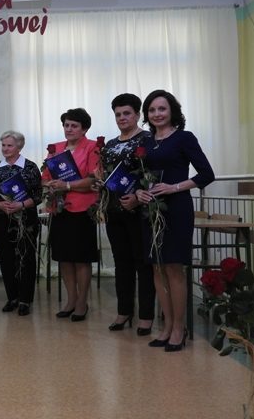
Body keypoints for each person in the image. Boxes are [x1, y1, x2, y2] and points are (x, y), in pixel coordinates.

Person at [135, 90, 214, 352]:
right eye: (152, 110)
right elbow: (139, 175)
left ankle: (179, 328)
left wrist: (174, 187)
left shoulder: (184, 138)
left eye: (162, 109)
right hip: (150, 210)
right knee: (157, 268)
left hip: (177, 208)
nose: (157, 114)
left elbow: (206, 174)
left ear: (172, 111)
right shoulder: (146, 142)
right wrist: (139, 192)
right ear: (147, 114)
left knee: (173, 268)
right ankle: (167, 327)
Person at [99, 94, 155, 335]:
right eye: (118, 114)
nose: (122, 118)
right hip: (114, 210)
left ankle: (146, 316)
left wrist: (138, 197)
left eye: (127, 113)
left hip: (140, 211)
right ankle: (124, 311)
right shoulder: (110, 145)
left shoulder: (148, 139)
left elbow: (154, 174)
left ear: (137, 115)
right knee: (121, 263)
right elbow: (107, 176)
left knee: (143, 264)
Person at [42, 108, 99, 322]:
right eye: (66, 125)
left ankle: (82, 302)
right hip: (59, 209)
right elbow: (45, 177)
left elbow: (93, 180)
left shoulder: (92, 147)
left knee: (81, 259)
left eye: (74, 125)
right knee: (64, 258)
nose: (69, 129)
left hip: (83, 210)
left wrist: (67, 185)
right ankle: (71, 300)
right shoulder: (55, 148)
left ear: (84, 129)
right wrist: (50, 185)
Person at [0, 131, 42, 316]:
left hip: (26, 219)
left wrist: (21, 205)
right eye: (3, 145)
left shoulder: (30, 167)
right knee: (6, 258)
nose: (5, 149)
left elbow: (39, 195)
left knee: (26, 258)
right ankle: (12, 298)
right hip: (2, 219)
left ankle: (25, 299)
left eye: (10, 145)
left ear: (19, 147)